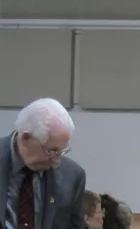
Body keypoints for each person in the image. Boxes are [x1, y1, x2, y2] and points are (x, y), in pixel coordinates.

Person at [0, 98, 86, 229]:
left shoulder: (73, 176)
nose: (57, 161)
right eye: (51, 151)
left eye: (62, 151)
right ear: (25, 138)